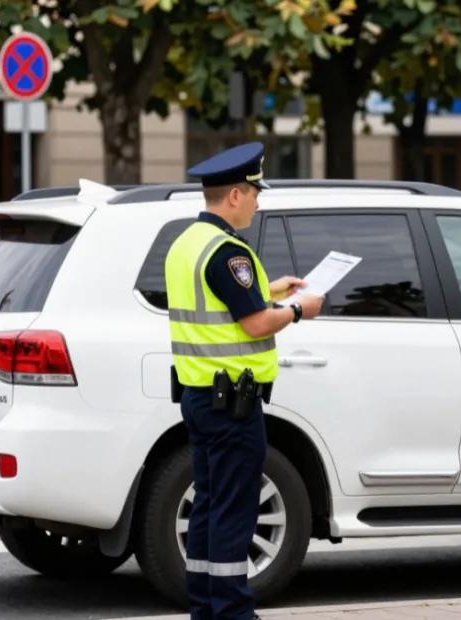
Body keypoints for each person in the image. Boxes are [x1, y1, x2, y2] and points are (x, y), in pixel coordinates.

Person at [165, 141, 324, 620]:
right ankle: (232, 612)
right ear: (234, 194)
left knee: (210, 509)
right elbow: (254, 323)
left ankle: (206, 608)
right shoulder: (226, 251)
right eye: (255, 191)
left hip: (199, 396)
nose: (258, 200)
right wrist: (298, 309)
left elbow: (221, 302)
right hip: (232, 402)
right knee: (235, 512)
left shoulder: (187, 243)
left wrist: (270, 289)